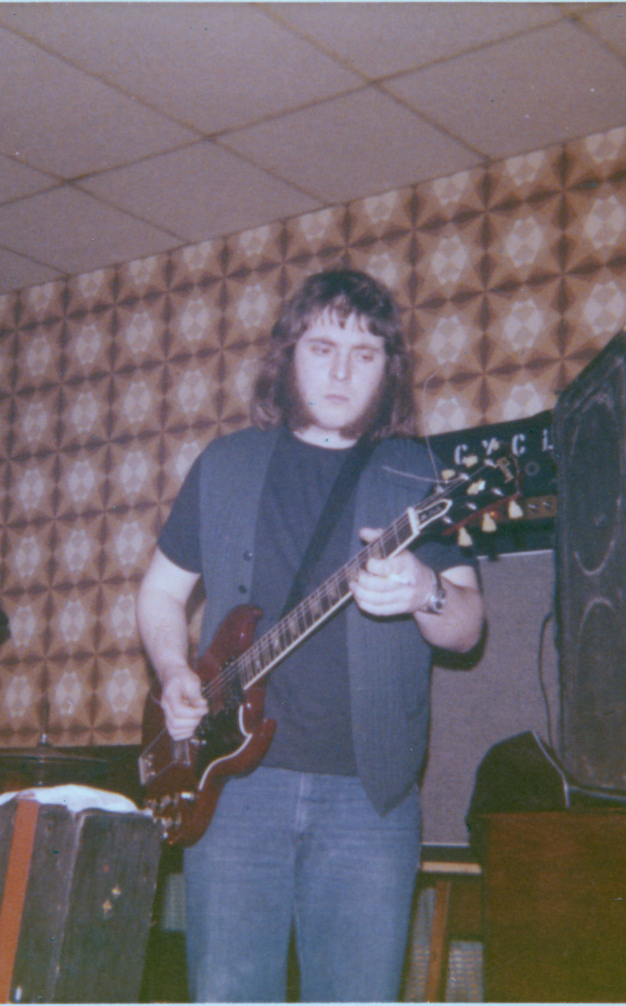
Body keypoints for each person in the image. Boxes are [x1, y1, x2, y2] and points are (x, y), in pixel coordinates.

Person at [137, 267, 484, 1002]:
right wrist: (173, 671)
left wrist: (423, 589)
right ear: (287, 356)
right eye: (323, 347)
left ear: (388, 371)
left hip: (370, 796)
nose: (340, 370)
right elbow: (162, 592)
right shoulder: (226, 462)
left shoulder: (416, 472)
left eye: (364, 354)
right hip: (231, 790)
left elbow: (467, 627)